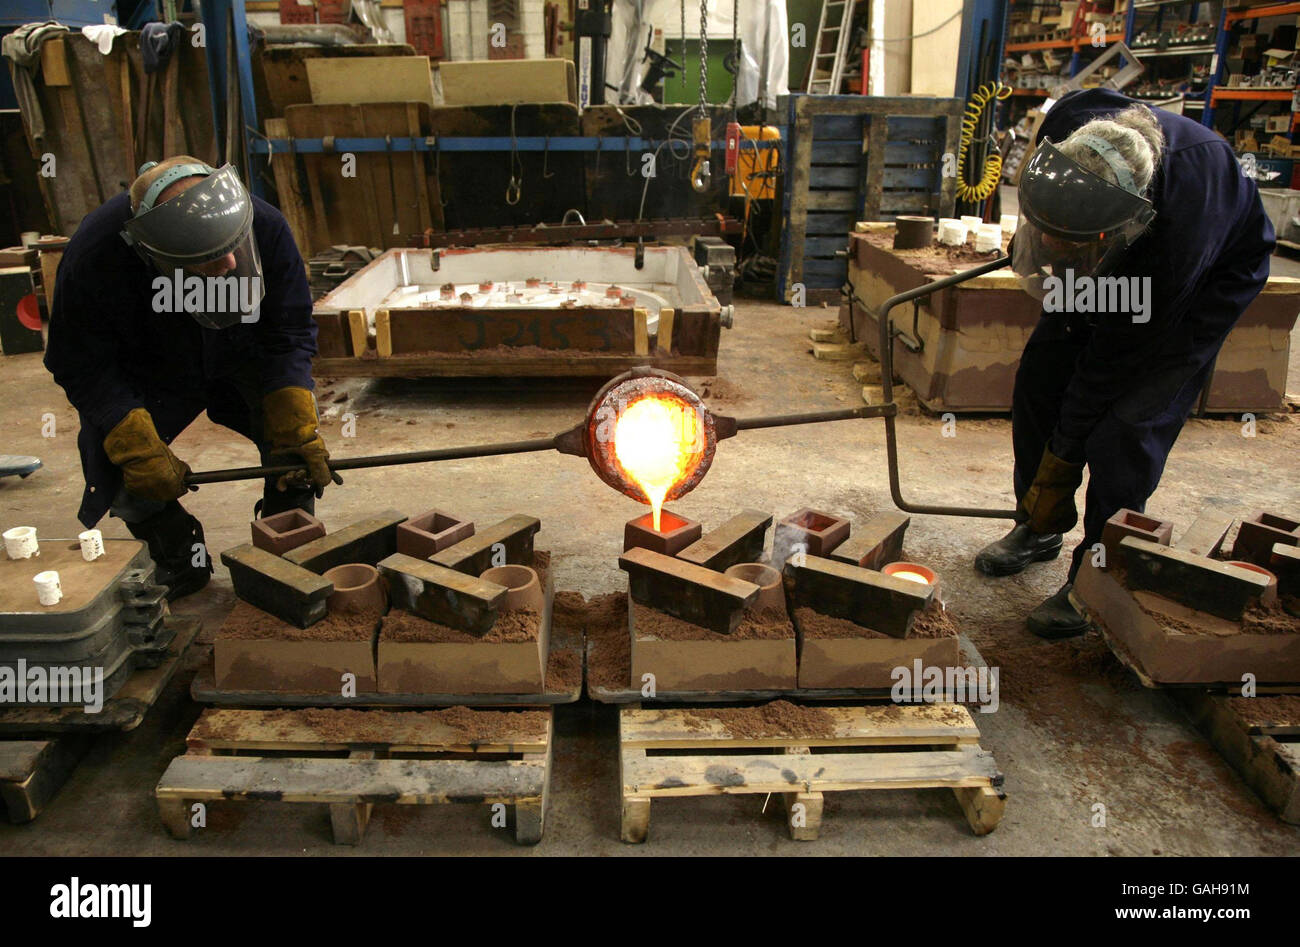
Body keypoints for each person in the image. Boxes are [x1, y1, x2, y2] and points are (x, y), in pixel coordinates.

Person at [975, 89, 1275, 638]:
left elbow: (1106, 365)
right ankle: (1038, 525)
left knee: (1128, 423)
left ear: (1122, 230)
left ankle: (1097, 571)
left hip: (1207, 282)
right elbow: (1066, 351)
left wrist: (1063, 455)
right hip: (1106, 245)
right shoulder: (1069, 123)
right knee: (1039, 380)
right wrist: (1058, 252)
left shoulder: (1178, 237)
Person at [45, 156, 339, 600]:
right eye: (205, 260)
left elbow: (290, 330)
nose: (226, 265)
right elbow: (78, 361)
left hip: (242, 351)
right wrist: (126, 428)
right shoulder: (96, 253)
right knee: (124, 464)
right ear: (149, 253)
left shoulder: (266, 224)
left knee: (293, 448)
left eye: (232, 249)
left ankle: (285, 548)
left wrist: (291, 406)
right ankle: (179, 552)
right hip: (151, 365)